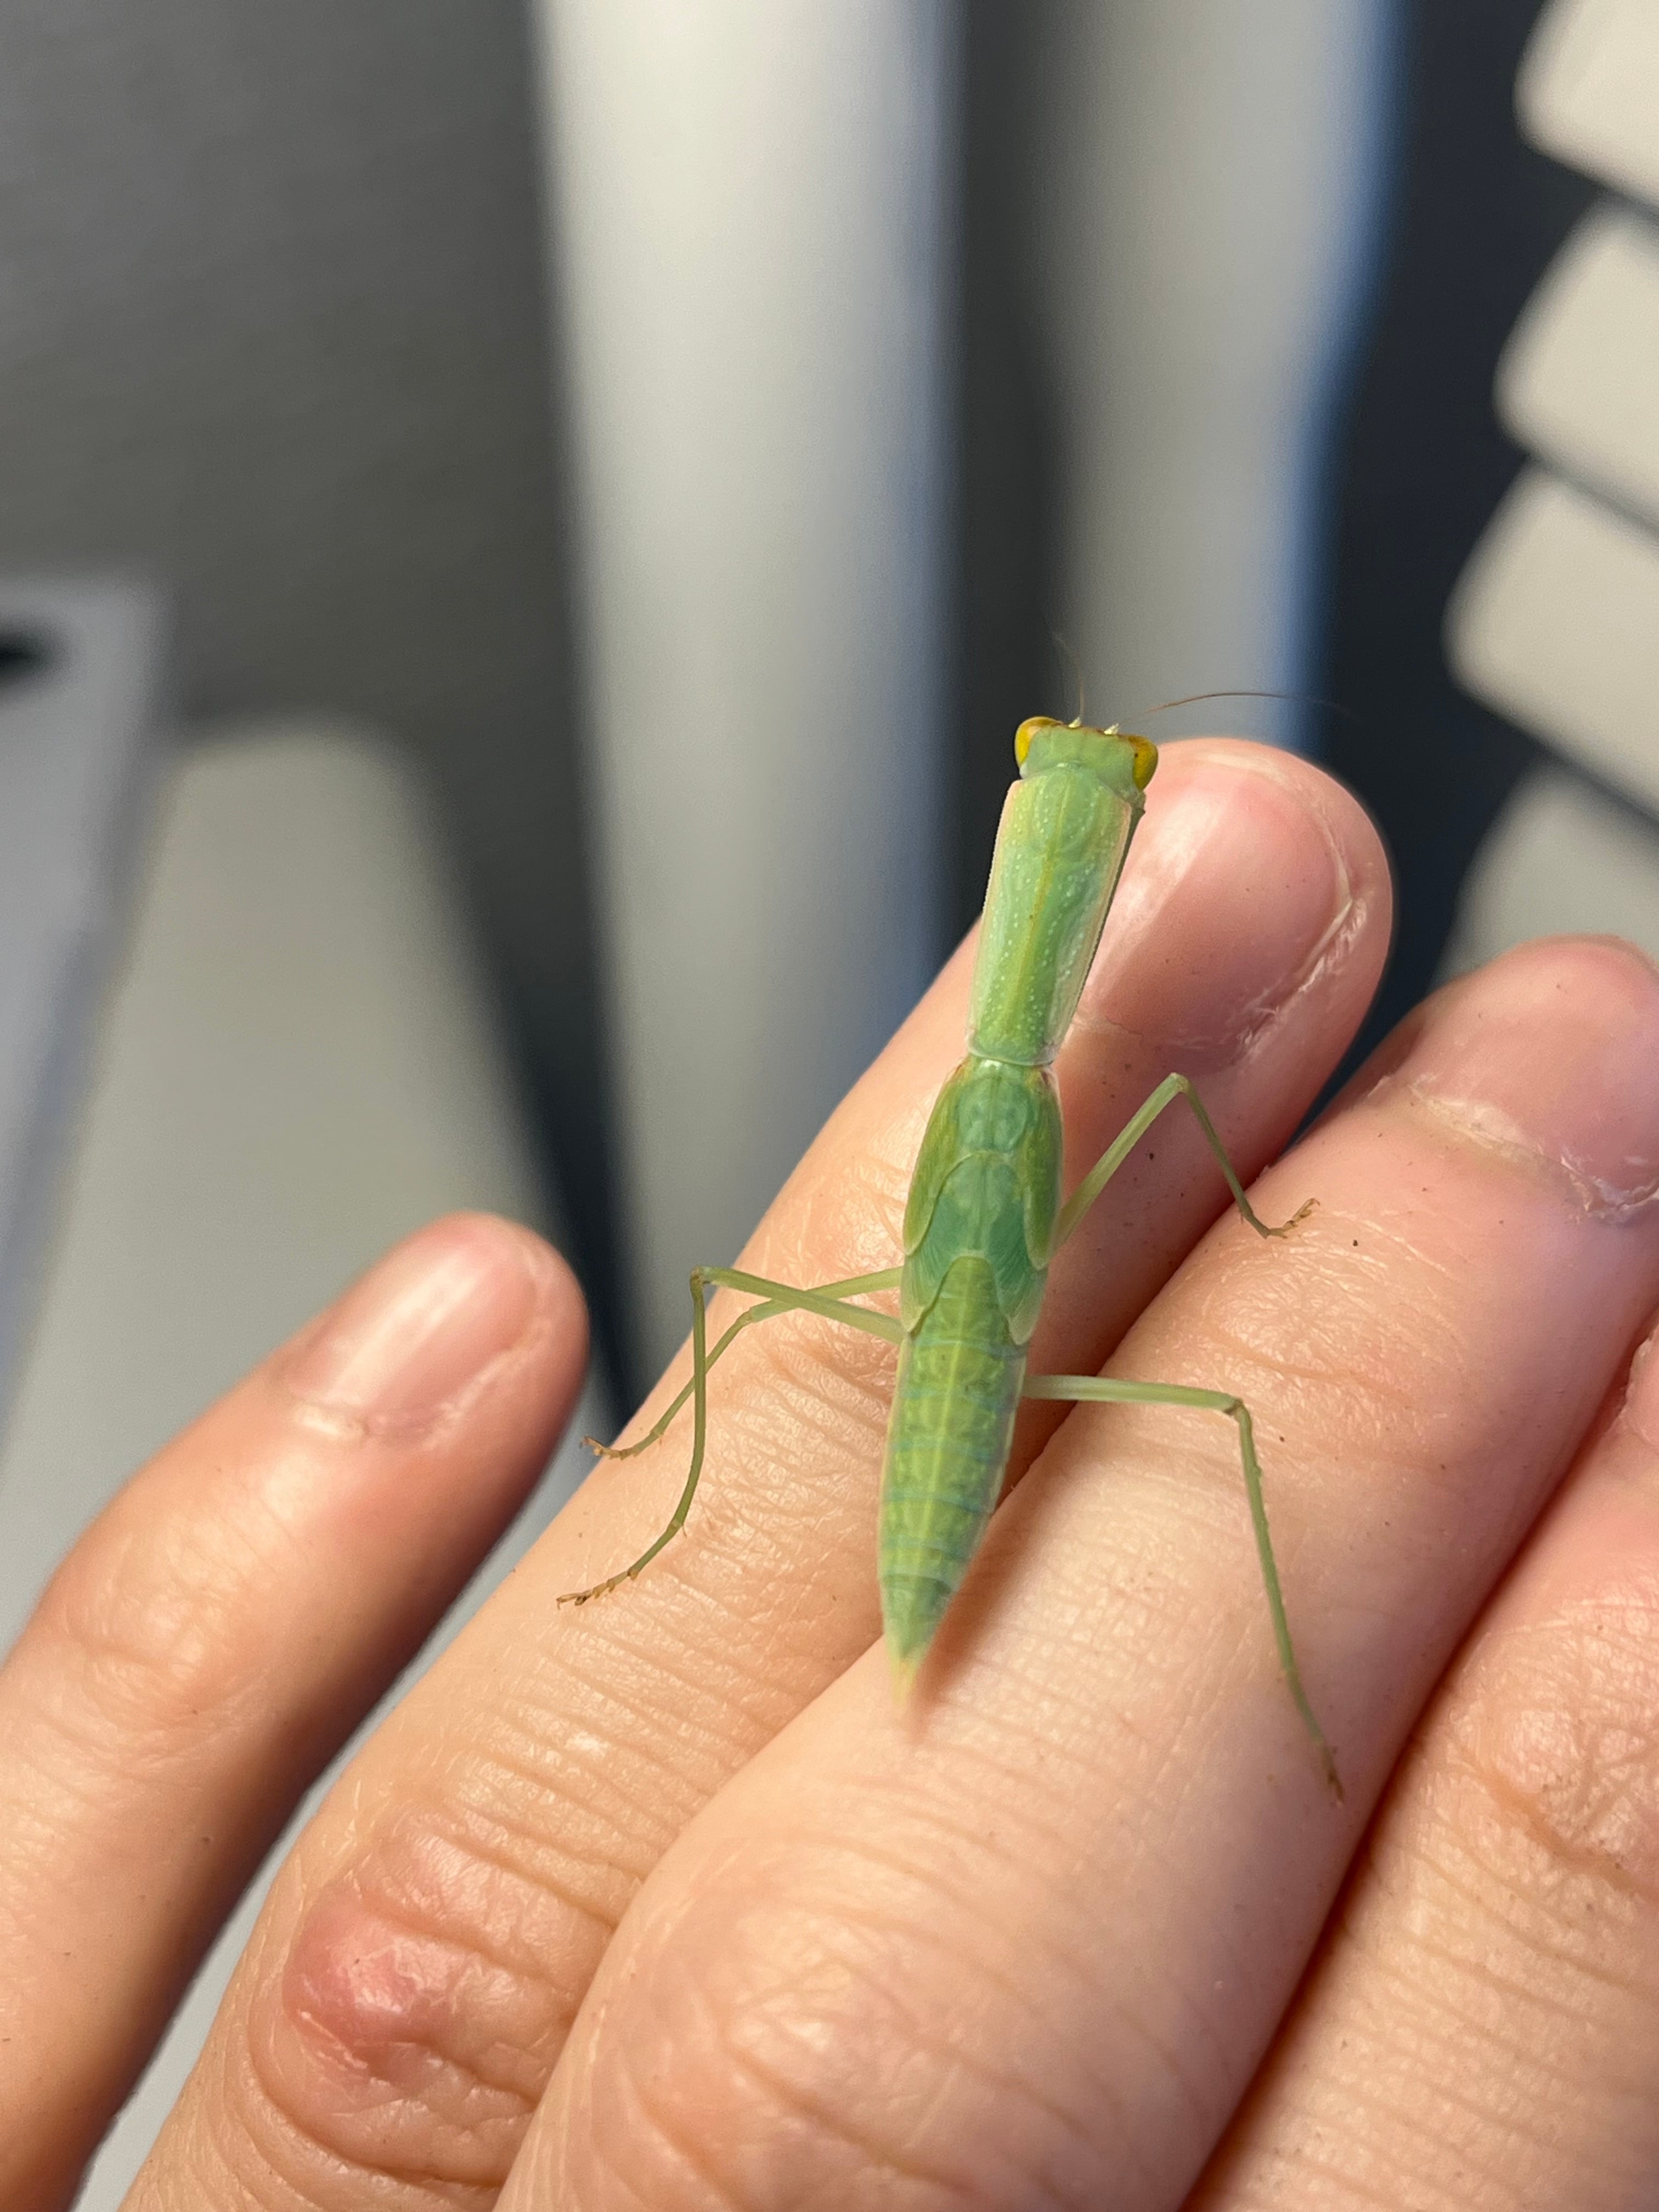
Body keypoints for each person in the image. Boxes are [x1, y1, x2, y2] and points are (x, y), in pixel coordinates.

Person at [8, 738, 1659, 2210]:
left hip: (950, 1386)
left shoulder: (985, 1092)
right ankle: (1253, 1676)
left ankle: (688, 1508)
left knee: (766, 1300)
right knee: (1213, 1408)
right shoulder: (1018, 1095)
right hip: (972, 1402)